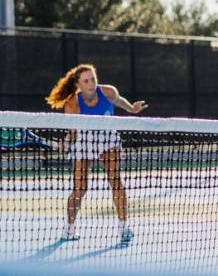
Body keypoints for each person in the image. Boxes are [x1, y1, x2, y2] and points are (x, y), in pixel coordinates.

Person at [45, 63, 147, 245]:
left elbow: (119, 100)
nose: (91, 83)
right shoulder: (72, 104)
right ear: (78, 85)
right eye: (86, 81)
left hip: (108, 138)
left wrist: (132, 108)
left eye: (93, 79)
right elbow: (73, 132)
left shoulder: (108, 92)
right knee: (79, 188)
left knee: (115, 181)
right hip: (84, 139)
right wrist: (66, 142)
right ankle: (69, 229)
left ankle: (124, 228)